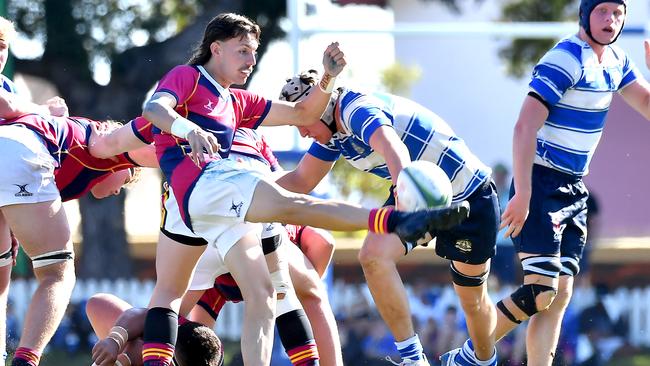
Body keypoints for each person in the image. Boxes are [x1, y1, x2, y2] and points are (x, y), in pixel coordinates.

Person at [140, 12, 469, 366]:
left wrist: (327, 76)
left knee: (239, 295)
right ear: (215, 49)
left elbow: (302, 113)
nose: (251, 61)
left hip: (191, 208)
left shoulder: (236, 102)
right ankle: (395, 220)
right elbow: (153, 108)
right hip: (210, 186)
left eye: (254, 52)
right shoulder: (188, 76)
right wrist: (186, 128)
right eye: (243, 51)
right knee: (298, 210)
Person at [276, 69, 500, 366]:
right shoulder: (331, 131)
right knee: (372, 255)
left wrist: (403, 203)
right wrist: (245, 195)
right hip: (414, 194)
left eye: (304, 120)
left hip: (469, 194)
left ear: (322, 106)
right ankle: (413, 359)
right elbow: (300, 181)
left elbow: (395, 149)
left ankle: (482, 361)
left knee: (472, 301)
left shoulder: (355, 108)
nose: (303, 131)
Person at [481, 1, 650, 365]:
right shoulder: (566, 58)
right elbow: (524, 126)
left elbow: (647, 105)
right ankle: (466, 354)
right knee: (541, 292)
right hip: (541, 183)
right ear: (585, 14)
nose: (611, 20)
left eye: (618, 13)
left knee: (559, 297)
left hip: (574, 188)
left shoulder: (618, 60)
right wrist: (523, 192)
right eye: (602, 11)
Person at [0, 113, 156, 366]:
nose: (119, 190)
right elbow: (156, 151)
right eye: (127, 179)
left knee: (1, 278)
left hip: (9, 148)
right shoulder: (110, 143)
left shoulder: (76, 159)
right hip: (22, 151)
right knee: (57, 275)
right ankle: (25, 361)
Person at [86, 293, 224, 366]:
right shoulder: (176, 329)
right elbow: (144, 315)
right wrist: (115, 340)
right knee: (98, 304)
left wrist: (125, 360)